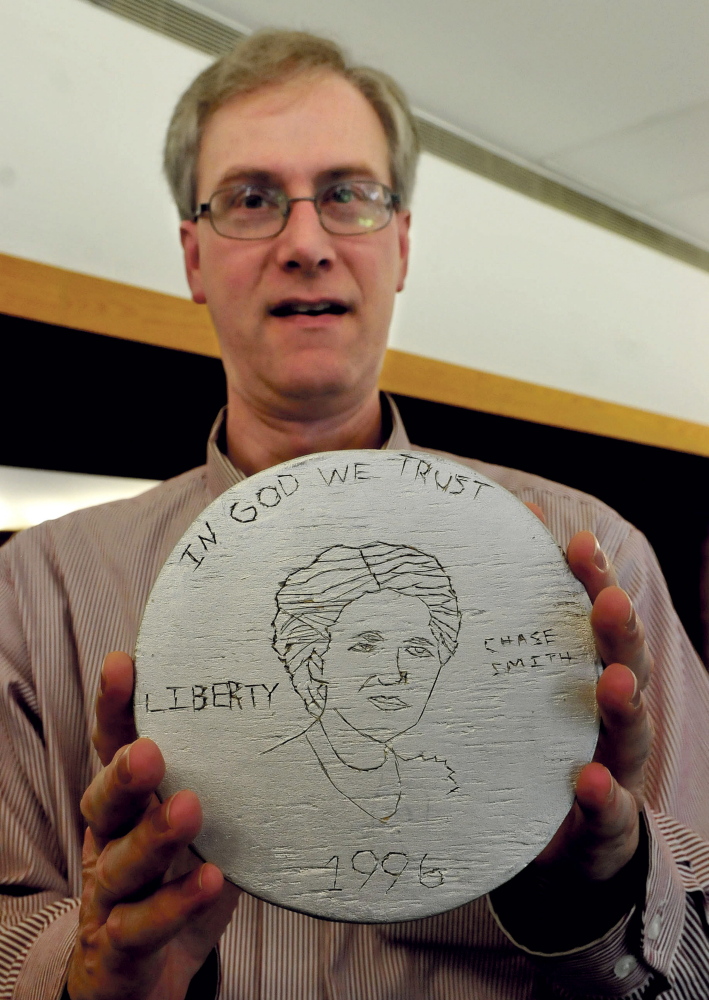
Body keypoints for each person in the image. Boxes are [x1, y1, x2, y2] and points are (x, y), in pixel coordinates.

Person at [1, 27, 708, 1000]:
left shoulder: (592, 564)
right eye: (250, 199)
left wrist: (601, 896)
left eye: (347, 194)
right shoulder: (33, 591)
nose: (304, 242)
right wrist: (84, 973)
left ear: (400, 243)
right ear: (193, 256)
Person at [269, 542, 461, 822]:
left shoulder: (437, 788)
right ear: (315, 663)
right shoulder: (276, 779)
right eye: (366, 646)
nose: (394, 674)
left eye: (418, 650)